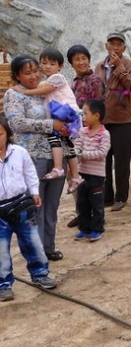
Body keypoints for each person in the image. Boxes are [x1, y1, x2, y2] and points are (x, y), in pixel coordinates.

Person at [3, 54, 70, 261]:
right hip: (33, 157)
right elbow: (17, 124)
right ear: (17, 75)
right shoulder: (13, 95)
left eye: (35, 71)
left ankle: (48, 246)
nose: (33, 76)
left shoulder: (45, 90)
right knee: (36, 205)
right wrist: (51, 125)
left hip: (58, 154)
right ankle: (37, 252)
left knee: (52, 205)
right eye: (27, 72)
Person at [0, 117, 58, 301]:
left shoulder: (20, 152)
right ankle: (3, 284)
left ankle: (40, 274)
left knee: (33, 243)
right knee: (0, 251)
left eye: (0, 134)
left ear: (8, 134)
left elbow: (30, 173)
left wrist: (34, 192)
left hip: (21, 205)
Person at [11, 49, 83, 193]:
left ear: (60, 66)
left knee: (55, 139)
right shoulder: (46, 81)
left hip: (65, 112)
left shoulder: (57, 78)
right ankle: (75, 176)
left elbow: (44, 91)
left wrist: (25, 91)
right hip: (62, 113)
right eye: (44, 63)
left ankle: (58, 168)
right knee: (68, 147)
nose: (47, 66)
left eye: (52, 63)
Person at [95, 32, 131, 212]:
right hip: (102, 120)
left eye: (118, 44)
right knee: (103, 160)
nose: (115, 47)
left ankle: (121, 197)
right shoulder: (99, 66)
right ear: (106, 46)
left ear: (124, 48)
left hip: (122, 119)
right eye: (111, 44)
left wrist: (120, 67)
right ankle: (106, 197)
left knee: (121, 161)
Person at [66, 44, 105, 229]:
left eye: (84, 58)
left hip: (90, 135)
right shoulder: (73, 82)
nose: (81, 62)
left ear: (88, 60)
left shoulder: (95, 81)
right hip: (76, 135)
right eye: (76, 59)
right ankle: (81, 213)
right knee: (75, 175)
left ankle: (94, 217)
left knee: (91, 179)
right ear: (71, 63)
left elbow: (96, 111)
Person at [73, 99, 110, 242]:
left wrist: (84, 154)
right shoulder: (82, 131)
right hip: (82, 173)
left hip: (97, 175)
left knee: (96, 203)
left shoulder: (104, 134)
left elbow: (102, 152)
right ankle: (84, 228)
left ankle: (97, 229)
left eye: (85, 113)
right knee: (82, 202)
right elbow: (77, 145)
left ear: (96, 115)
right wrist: (77, 152)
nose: (83, 117)